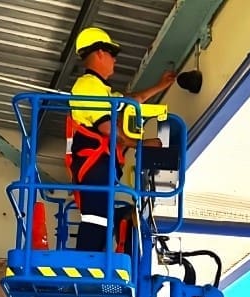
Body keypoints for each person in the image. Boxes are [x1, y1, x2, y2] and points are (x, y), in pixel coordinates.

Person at [67, 27, 177, 252]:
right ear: (100, 53)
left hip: (100, 165)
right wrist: (142, 145)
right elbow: (108, 129)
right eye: (112, 53)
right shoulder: (88, 86)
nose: (115, 60)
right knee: (97, 219)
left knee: (105, 217)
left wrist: (161, 85)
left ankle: (99, 256)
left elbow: (132, 100)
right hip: (93, 164)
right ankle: (86, 265)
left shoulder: (100, 89)